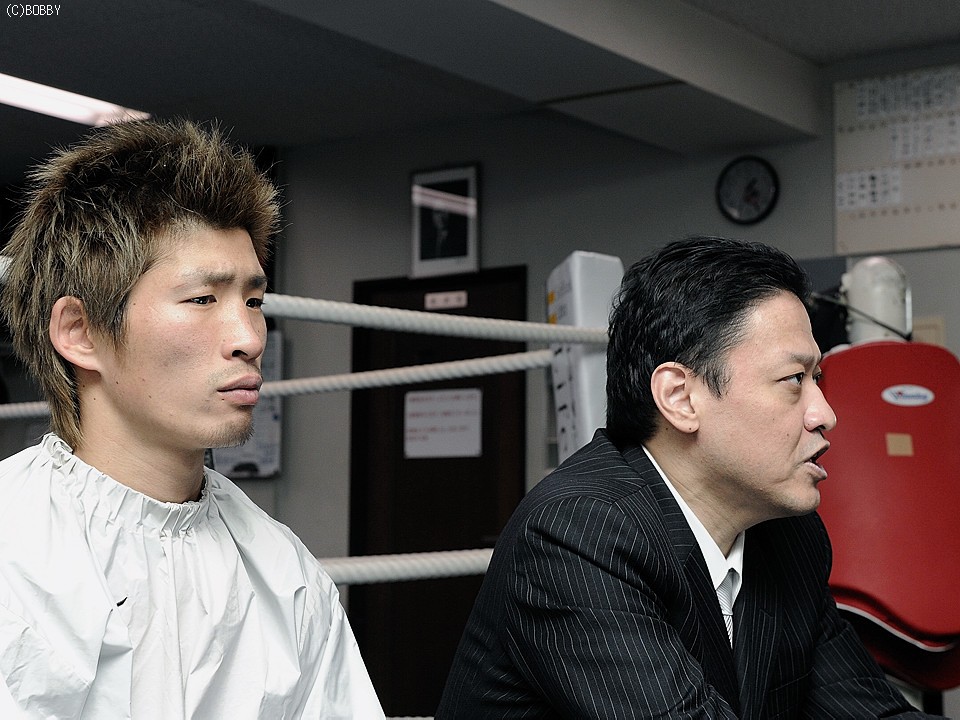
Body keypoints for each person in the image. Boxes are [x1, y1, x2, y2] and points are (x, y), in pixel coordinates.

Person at [437, 236, 941, 718]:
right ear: (680, 398)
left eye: (818, 379)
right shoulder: (577, 533)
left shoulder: (789, 536)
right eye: (794, 380)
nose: (825, 413)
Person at [0, 118, 384, 719]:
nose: (248, 337)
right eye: (203, 299)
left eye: (254, 301)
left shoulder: (284, 572)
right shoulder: (13, 551)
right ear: (81, 332)